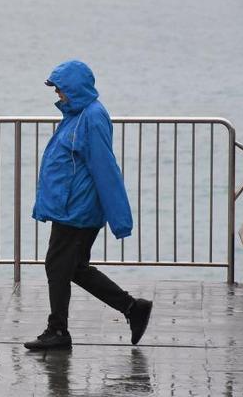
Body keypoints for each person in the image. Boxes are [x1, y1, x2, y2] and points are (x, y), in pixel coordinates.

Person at [25, 59, 152, 350]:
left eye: (60, 89)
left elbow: (105, 168)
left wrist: (120, 218)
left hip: (77, 210)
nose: (58, 95)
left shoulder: (92, 117)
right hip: (72, 206)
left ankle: (58, 331)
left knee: (57, 266)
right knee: (73, 267)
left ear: (75, 88)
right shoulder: (77, 114)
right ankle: (133, 308)